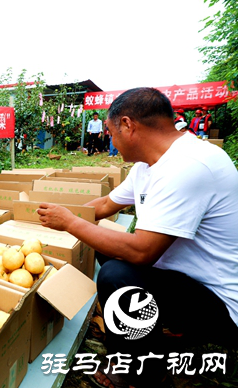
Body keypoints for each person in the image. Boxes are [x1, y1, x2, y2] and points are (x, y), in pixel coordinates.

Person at [37, 87, 238, 387]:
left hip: (219, 299)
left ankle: (137, 369)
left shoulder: (189, 166)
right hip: (181, 275)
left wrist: (69, 223)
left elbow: (143, 252)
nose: (109, 139)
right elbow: (104, 206)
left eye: (110, 131)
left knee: (116, 274)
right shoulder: (148, 164)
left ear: (128, 125)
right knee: (105, 245)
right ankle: (161, 329)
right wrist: (49, 222)